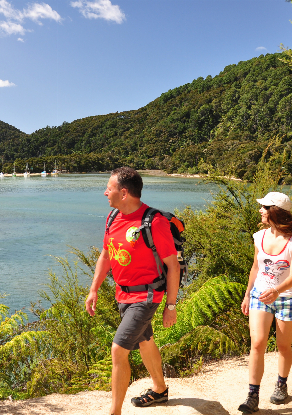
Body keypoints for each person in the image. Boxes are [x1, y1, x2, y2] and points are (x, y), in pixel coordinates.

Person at [85, 167, 180, 415]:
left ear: (124, 192)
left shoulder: (154, 221)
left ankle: (114, 412)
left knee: (118, 349)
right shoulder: (112, 218)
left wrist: (171, 306)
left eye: (110, 188)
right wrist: (93, 289)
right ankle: (160, 390)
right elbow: (105, 255)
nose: (105, 192)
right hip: (122, 294)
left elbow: (172, 265)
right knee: (145, 341)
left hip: (147, 295)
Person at [239, 192, 292, 414]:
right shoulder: (258, 236)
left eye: (265, 207)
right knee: (257, 343)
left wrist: (277, 291)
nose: (260, 210)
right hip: (260, 295)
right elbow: (256, 268)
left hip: (287, 299)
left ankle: (281, 384)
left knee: (283, 346)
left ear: (276, 211)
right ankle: (252, 395)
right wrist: (248, 294)